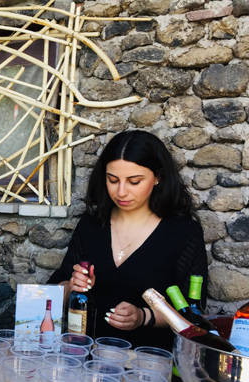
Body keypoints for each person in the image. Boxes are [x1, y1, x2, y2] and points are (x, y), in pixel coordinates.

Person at [49, 130, 208, 351]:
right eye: (113, 180)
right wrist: (72, 286)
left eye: (134, 181)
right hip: (89, 355)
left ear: (158, 177)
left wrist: (144, 317)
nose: (121, 192)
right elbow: (54, 290)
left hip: (150, 359)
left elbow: (193, 313)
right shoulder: (92, 224)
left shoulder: (183, 232)